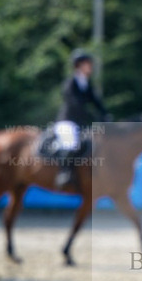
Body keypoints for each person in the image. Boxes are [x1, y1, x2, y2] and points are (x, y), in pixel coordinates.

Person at [54, 49, 108, 188]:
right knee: (71, 144)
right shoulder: (70, 83)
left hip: (81, 124)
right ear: (78, 66)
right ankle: (64, 174)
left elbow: (96, 102)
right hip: (67, 122)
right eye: (87, 64)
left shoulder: (86, 84)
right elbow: (75, 104)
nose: (90, 66)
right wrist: (92, 116)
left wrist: (105, 114)